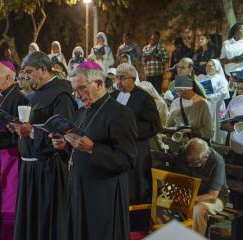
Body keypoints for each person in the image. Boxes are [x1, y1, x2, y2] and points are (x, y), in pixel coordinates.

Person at [52, 61, 138, 240]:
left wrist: (93, 149)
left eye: (81, 89)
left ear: (99, 84)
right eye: (75, 90)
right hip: (80, 190)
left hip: (104, 195)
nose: (78, 95)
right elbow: (78, 151)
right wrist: (65, 147)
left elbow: (128, 161)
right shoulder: (82, 112)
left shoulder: (120, 113)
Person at [10, 51, 77, 240]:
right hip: (31, 167)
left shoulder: (61, 94)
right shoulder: (38, 94)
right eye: (24, 72)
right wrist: (18, 127)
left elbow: (64, 133)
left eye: (29, 71)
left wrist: (30, 132)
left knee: (47, 221)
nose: (26, 76)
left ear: (43, 69)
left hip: (49, 169)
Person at [112, 63, 160, 231]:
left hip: (138, 153)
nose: (119, 81)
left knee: (136, 189)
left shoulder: (144, 98)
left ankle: (136, 229)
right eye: (117, 77)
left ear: (133, 79)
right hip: (117, 151)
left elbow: (154, 125)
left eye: (122, 78)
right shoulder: (114, 95)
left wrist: (129, 131)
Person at [0, 61, 28, 240]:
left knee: (8, 200)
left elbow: (22, 134)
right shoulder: (1, 96)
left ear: (9, 76)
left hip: (10, 159)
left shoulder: (19, 98)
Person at [175, 138, 227, 235]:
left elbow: (212, 195)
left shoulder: (217, 161)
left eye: (194, 162)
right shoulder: (183, 152)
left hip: (215, 198)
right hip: (191, 194)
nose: (189, 165)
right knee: (161, 204)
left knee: (197, 210)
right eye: (188, 162)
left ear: (205, 157)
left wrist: (189, 199)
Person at [167, 75, 213, 141]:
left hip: (197, 143)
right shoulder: (176, 102)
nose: (180, 94)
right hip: (179, 141)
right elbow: (170, 124)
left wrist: (192, 132)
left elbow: (209, 131)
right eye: (178, 91)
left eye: (183, 91)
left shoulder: (203, 103)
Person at [197, 59, 230, 144]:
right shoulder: (203, 78)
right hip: (205, 106)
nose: (208, 67)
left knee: (217, 126)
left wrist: (210, 97)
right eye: (207, 65)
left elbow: (223, 92)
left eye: (210, 65)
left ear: (216, 67)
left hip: (218, 107)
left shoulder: (221, 79)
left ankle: (218, 142)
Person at [221, 77, 243, 165]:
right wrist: (225, 124)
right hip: (234, 146)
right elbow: (223, 115)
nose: (239, 91)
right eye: (238, 88)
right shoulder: (234, 100)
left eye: (242, 88)